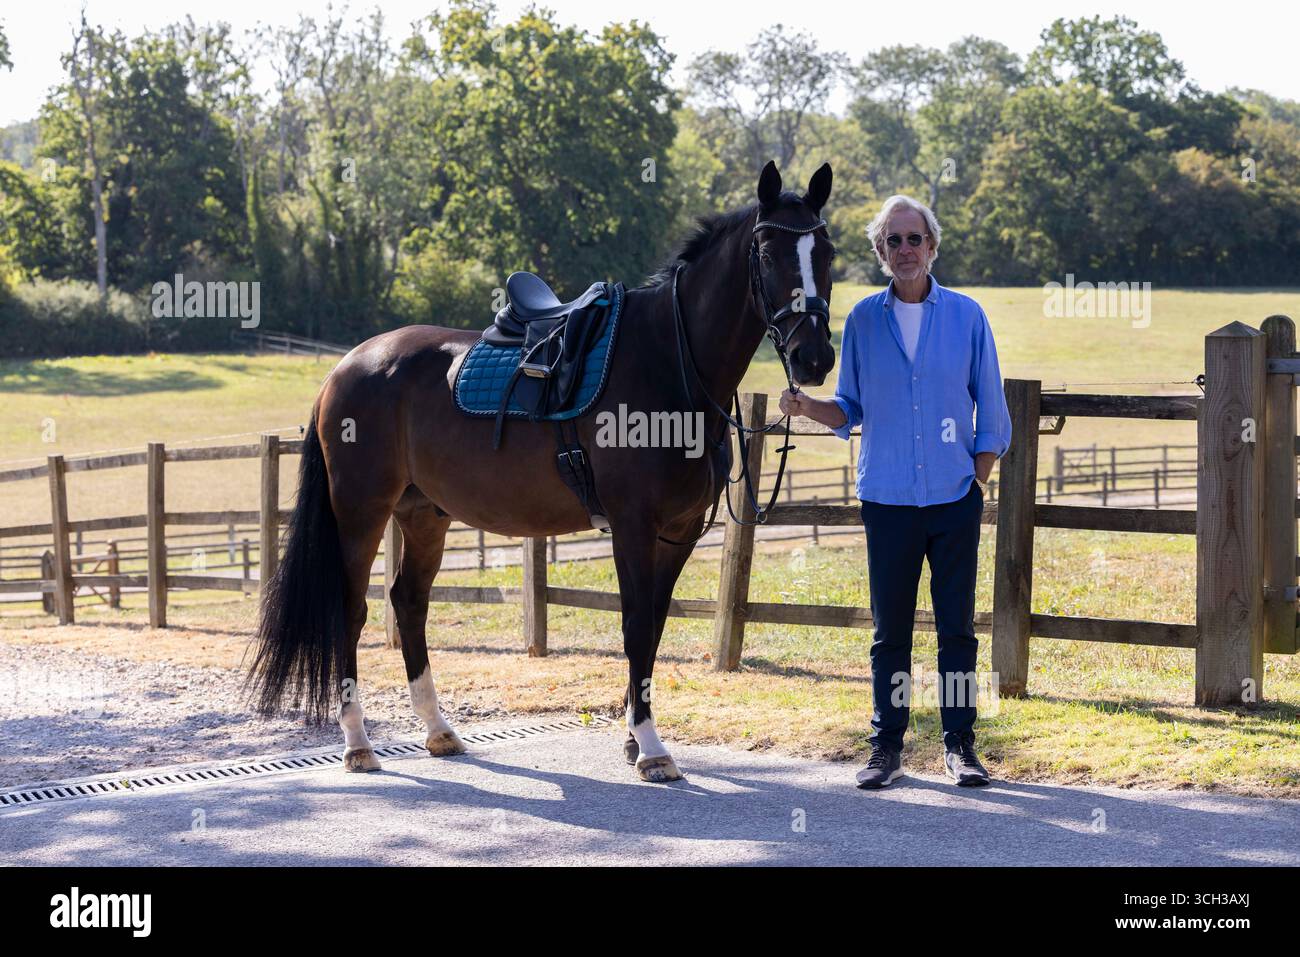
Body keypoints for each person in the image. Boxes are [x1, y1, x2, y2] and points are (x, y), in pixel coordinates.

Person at [779, 194, 1012, 788]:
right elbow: (850, 406)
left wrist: (977, 473)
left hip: (953, 497)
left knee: (957, 628)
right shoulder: (861, 320)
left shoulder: (966, 316)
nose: (904, 250)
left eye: (914, 239)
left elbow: (993, 405)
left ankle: (960, 745)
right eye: (893, 241)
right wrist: (808, 406)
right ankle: (887, 746)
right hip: (886, 501)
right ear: (880, 252)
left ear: (932, 246)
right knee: (892, 632)